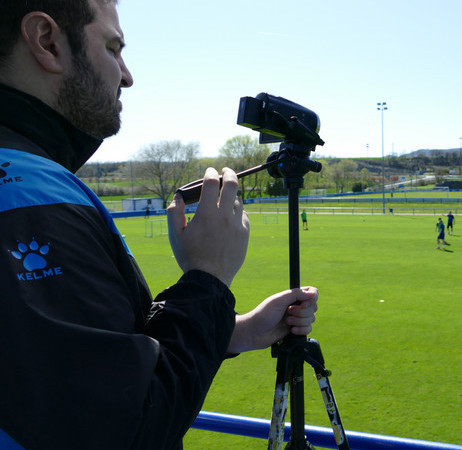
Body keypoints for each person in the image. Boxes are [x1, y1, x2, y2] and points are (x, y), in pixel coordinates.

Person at [0, 2, 318, 448]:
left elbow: (53, 364)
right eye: (113, 48)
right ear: (47, 41)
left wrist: (234, 330)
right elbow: (127, 430)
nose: (126, 75)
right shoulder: (30, 196)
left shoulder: (31, 178)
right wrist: (207, 278)